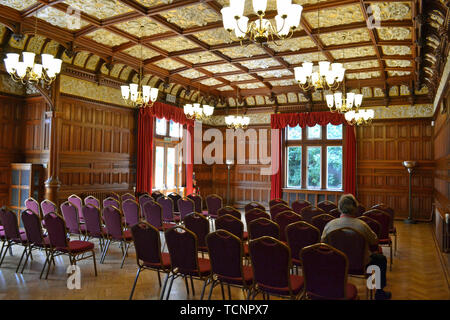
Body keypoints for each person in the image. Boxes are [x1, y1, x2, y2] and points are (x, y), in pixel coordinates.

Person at [321, 194, 391, 300]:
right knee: (381, 259)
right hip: (360, 265)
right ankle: (379, 293)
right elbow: (374, 242)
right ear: (355, 208)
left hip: (336, 264)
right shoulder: (362, 225)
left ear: (339, 208)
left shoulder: (330, 225)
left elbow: (323, 243)